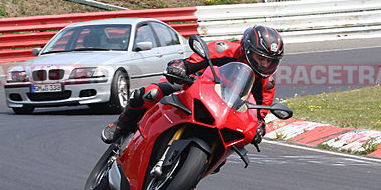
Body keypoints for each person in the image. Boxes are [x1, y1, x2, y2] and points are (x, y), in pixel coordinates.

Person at [101, 25, 284, 145]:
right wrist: (181, 67)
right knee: (150, 93)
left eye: (271, 61)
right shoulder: (225, 49)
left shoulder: (267, 80)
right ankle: (120, 126)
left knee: (235, 140)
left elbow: (261, 107)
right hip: (197, 85)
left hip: (226, 107)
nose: (265, 65)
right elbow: (192, 62)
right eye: (261, 58)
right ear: (247, 50)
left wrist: (260, 124)